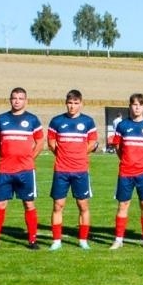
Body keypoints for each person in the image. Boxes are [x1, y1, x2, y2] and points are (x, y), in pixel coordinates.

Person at [0, 87, 44, 250]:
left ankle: (32, 240)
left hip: (26, 170)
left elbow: (40, 142)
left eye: (20, 98)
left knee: (29, 204)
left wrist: (29, 158)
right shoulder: (1, 119)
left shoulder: (32, 120)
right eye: (14, 98)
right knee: (0, 205)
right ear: (10, 100)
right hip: (5, 169)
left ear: (26, 100)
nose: (17, 101)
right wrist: (5, 157)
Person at [46, 89, 98, 251]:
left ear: (81, 104)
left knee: (83, 205)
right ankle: (56, 241)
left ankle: (83, 240)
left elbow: (92, 143)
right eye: (70, 103)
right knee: (58, 205)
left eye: (76, 103)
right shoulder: (56, 121)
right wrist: (63, 155)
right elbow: (51, 143)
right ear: (65, 103)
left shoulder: (88, 122)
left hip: (81, 170)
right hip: (61, 170)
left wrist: (79, 154)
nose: (72, 106)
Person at [109, 93, 143, 249]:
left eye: (140, 104)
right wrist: (126, 160)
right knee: (123, 205)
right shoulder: (122, 125)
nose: (137, 107)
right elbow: (118, 147)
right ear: (130, 106)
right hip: (126, 171)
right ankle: (118, 239)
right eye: (134, 104)